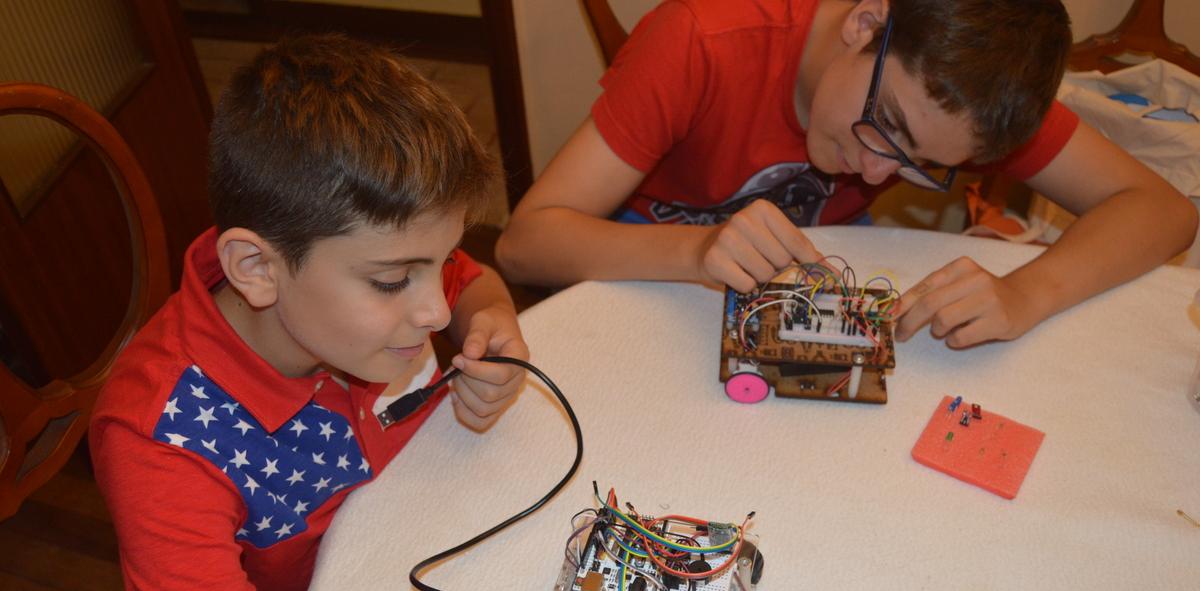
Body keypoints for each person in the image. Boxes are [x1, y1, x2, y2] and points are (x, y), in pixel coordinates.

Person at [89, 35, 528, 591]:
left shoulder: (352, 264)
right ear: (256, 269)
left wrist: (491, 323)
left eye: (440, 262)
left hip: (432, 550)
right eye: (391, 281)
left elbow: (476, 285)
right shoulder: (162, 447)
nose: (436, 311)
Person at [495, 0, 1198, 348]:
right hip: (649, 265)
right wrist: (696, 253)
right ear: (865, 21)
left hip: (812, 278)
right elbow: (523, 242)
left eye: (920, 163)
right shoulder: (704, 37)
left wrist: (1028, 292)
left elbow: (1162, 211)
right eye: (885, 124)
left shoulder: (960, 97)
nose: (873, 167)